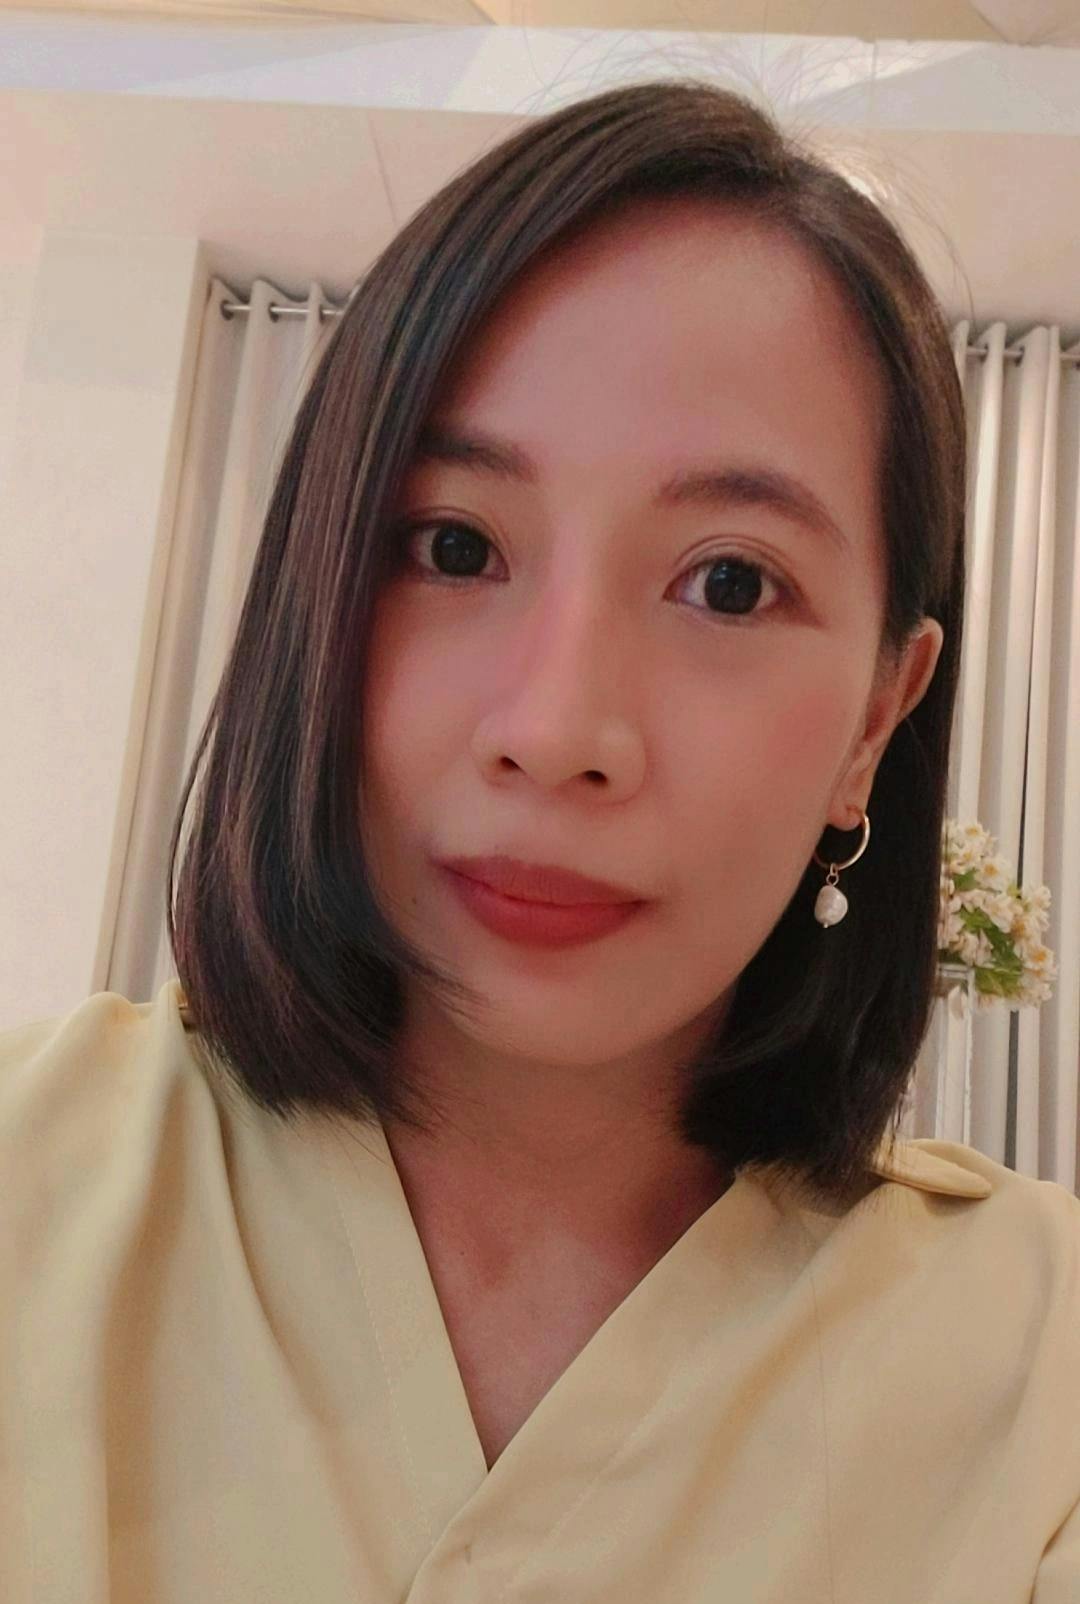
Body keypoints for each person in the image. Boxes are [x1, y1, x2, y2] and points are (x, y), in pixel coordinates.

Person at [1, 79, 1077, 1604]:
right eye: (454, 547)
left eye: (729, 584)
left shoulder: (1044, 1375)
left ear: (873, 723)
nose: (560, 727)